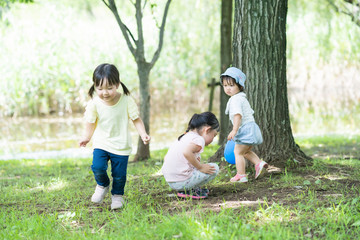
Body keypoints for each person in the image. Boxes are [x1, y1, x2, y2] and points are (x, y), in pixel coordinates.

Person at [79, 63, 150, 210]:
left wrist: (143, 134)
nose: (104, 92)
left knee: (119, 175)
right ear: (95, 86)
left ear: (117, 84)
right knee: (97, 167)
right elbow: (90, 122)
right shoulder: (95, 103)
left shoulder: (126, 100)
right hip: (101, 143)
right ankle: (102, 184)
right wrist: (86, 137)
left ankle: (117, 196)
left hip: (121, 145)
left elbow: (136, 119)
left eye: (109, 88)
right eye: (100, 88)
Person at [220, 67, 268, 183]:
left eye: (231, 85)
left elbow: (238, 115)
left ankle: (241, 175)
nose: (228, 89)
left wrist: (234, 130)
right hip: (251, 128)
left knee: (238, 152)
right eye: (225, 85)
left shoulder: (236, 99)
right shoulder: (239, 98)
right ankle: (259, 163)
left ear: (240, 86)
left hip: (244, 129)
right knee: (245, 151)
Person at [161, 112, 220, 199]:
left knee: (197, 166)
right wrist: (200, 167)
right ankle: (189, 190)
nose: (213, 139)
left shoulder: (185, 137)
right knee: (214, 168)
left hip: (171, 180)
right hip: (182, 182)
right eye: (214, 135)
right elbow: (186, 152)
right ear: (207, 130)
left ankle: (190, 188)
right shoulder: (199, 139)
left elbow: (166, 157)